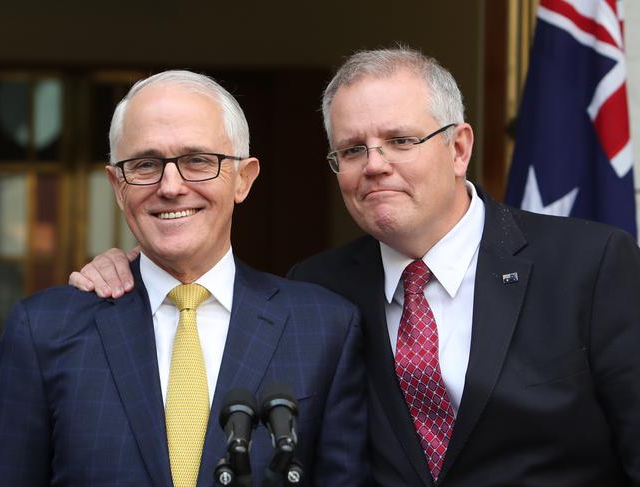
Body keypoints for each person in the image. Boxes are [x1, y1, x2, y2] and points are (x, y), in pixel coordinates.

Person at [69, 48, 640, 486]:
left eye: (399, 140)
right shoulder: (316, 291)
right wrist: (137, 265)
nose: (375, 165)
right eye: (351, 150)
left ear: (459, 146)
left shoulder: (591, 265)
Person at [0, 70, 370, 486]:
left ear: (243, 178)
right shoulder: (43, 330)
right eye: (146, 164)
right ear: (117, 186)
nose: (171, 186)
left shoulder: (324, 327)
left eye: (197, 161)